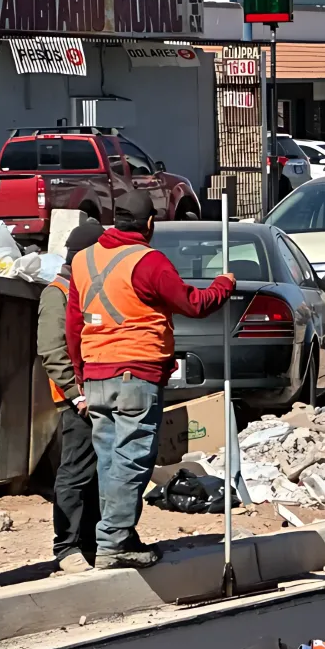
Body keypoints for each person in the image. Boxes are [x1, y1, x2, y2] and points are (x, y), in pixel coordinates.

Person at [65, 191, 233, 569]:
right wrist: (224, 284)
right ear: (150, 224)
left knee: (110, 462)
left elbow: (74, 323)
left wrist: (80, 372)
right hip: (135, 375)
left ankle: (116, 534)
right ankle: (114, 543)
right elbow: (193, 303)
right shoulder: (148, 261)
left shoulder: (84, 260)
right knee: (132, 461)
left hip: (96, 375)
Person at [36, 219, 105, 573]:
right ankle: (67, 547)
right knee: (75, 472)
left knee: (95, 473)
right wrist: (75, 394)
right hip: (75, 400)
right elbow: (51, 350)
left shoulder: (87, 289)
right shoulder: (58, 293)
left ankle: (91, 542)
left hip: (97, 394)